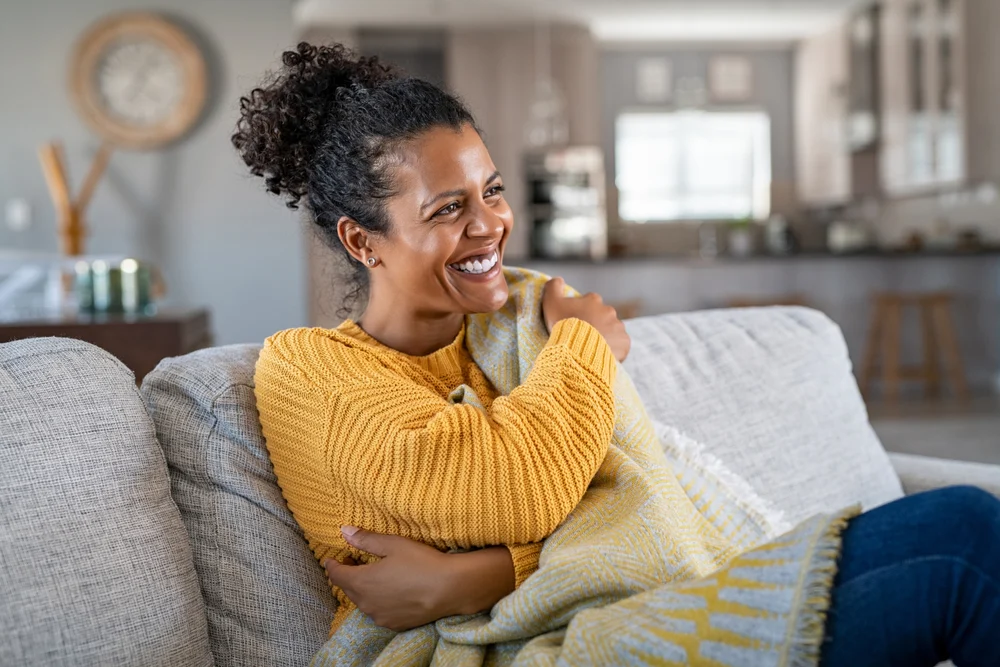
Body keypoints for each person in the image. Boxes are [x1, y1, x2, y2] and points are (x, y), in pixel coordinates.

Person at [235, 43, 1000, 666]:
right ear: (362, 240)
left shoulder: (515, 322)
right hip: (526, 648)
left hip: (638, 602)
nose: (492, 224)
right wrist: (587, 344)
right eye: (448, 208)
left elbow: (629, 489)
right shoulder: (306, 367)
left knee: (968, 527)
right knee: (965, 540)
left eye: (492, 190)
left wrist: (483, 571)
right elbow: (517, 485)